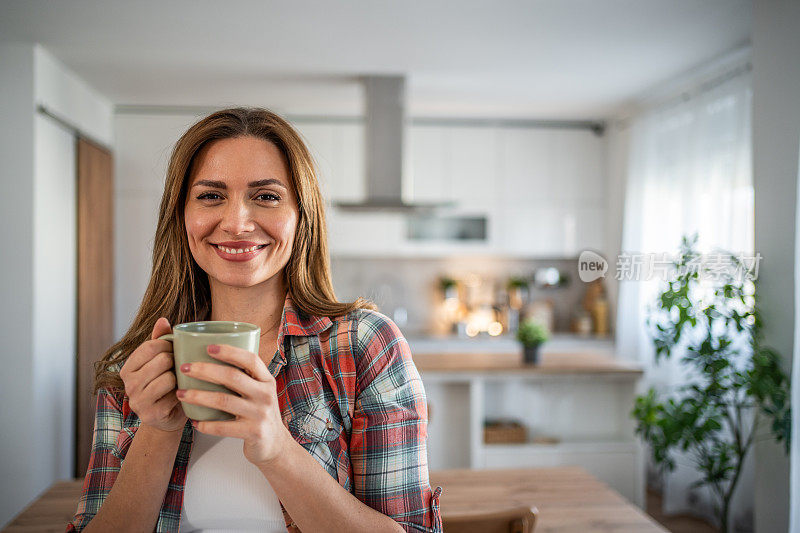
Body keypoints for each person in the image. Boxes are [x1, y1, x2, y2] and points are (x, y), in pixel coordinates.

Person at [66, 108, 442, 533]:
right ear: (181, 215)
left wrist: (278, 449)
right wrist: (158, 429)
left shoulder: (364, 345)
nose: (237, 223)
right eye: (210, 196)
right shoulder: (133, 369)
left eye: (266, 196)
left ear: (302, 216)